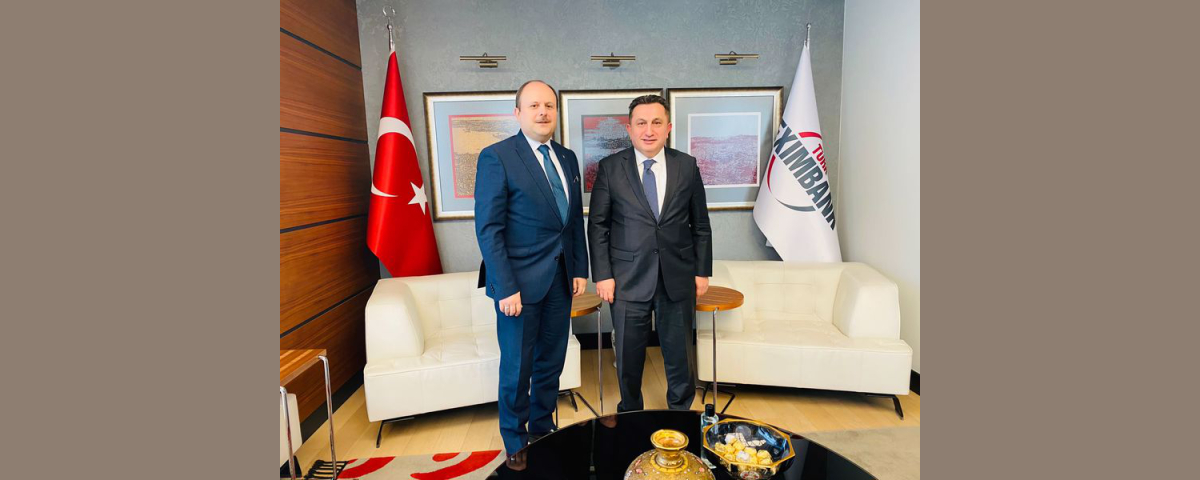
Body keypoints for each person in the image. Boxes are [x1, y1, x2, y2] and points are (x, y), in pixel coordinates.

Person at [474, 80, 588, 459]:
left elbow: (573, 221)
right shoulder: (497, 157)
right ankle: (515, 442)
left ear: (556, 112)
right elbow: (489, 229)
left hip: (560, 280)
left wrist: (579, 268)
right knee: (517, 368)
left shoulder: (567, 158)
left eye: (549, 106)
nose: (543, 112)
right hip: (517, 286)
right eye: (534, 105)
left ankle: (542, 429)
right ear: (518, 113)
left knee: (551, 362)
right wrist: (505, 286)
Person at [587, 94, 713, 412]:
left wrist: (702, 271)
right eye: (641, 123)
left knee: (680, 355)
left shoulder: (687, 166)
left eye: (657, 122)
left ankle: (681, 414)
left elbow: (700, 224)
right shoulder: (610, 168)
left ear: (668, 127)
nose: (649, 130)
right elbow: (598, 226)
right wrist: (602, 275)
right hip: (626, 279)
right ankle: (630, 412)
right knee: (628, 357)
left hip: (678, 277)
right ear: (629, 129)